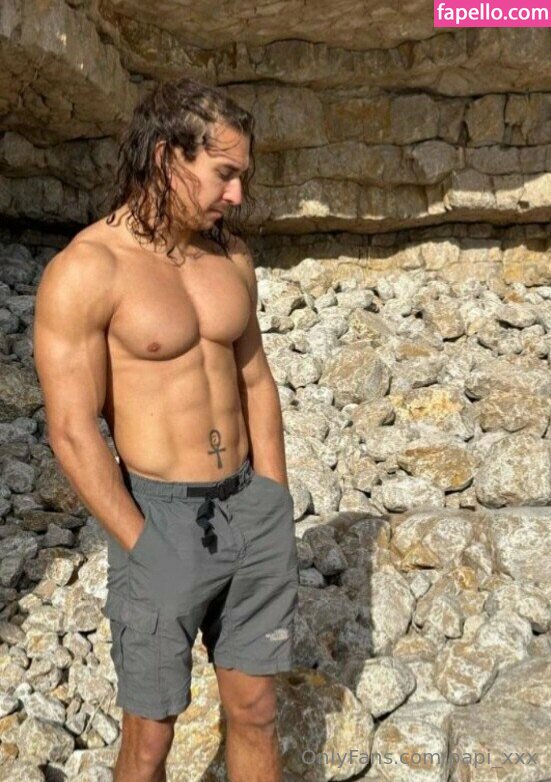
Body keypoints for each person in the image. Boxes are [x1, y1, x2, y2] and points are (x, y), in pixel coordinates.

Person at [33, 78, 299, 782]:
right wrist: (142, 544)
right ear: (165, 157)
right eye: (224, 173)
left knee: (255, 711)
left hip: (249, 505)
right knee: (150, 739)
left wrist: (273, 495)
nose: (236, 194)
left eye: (242, 176)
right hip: (159, 517)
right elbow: (72, 428)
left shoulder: (230, 258)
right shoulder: (87, 270)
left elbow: (255, 381)